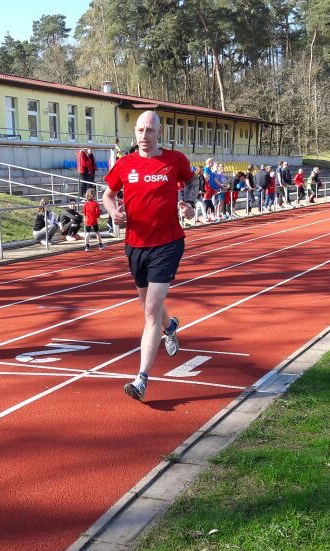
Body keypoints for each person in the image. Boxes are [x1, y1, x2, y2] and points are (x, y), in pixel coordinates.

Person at [103, 111, 197, 402]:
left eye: (150, 130)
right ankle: (170, 327)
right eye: (140, 130)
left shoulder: (174, 160)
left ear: (159, 132)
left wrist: (190, 203)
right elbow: (107, 194)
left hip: (167, 243)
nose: (145, 136)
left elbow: (193, 182)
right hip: (135, 244)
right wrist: (113, 212)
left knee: (150, 308)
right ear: (135, 133)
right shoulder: (125, 164)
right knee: (147, 306)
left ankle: (141, 379)